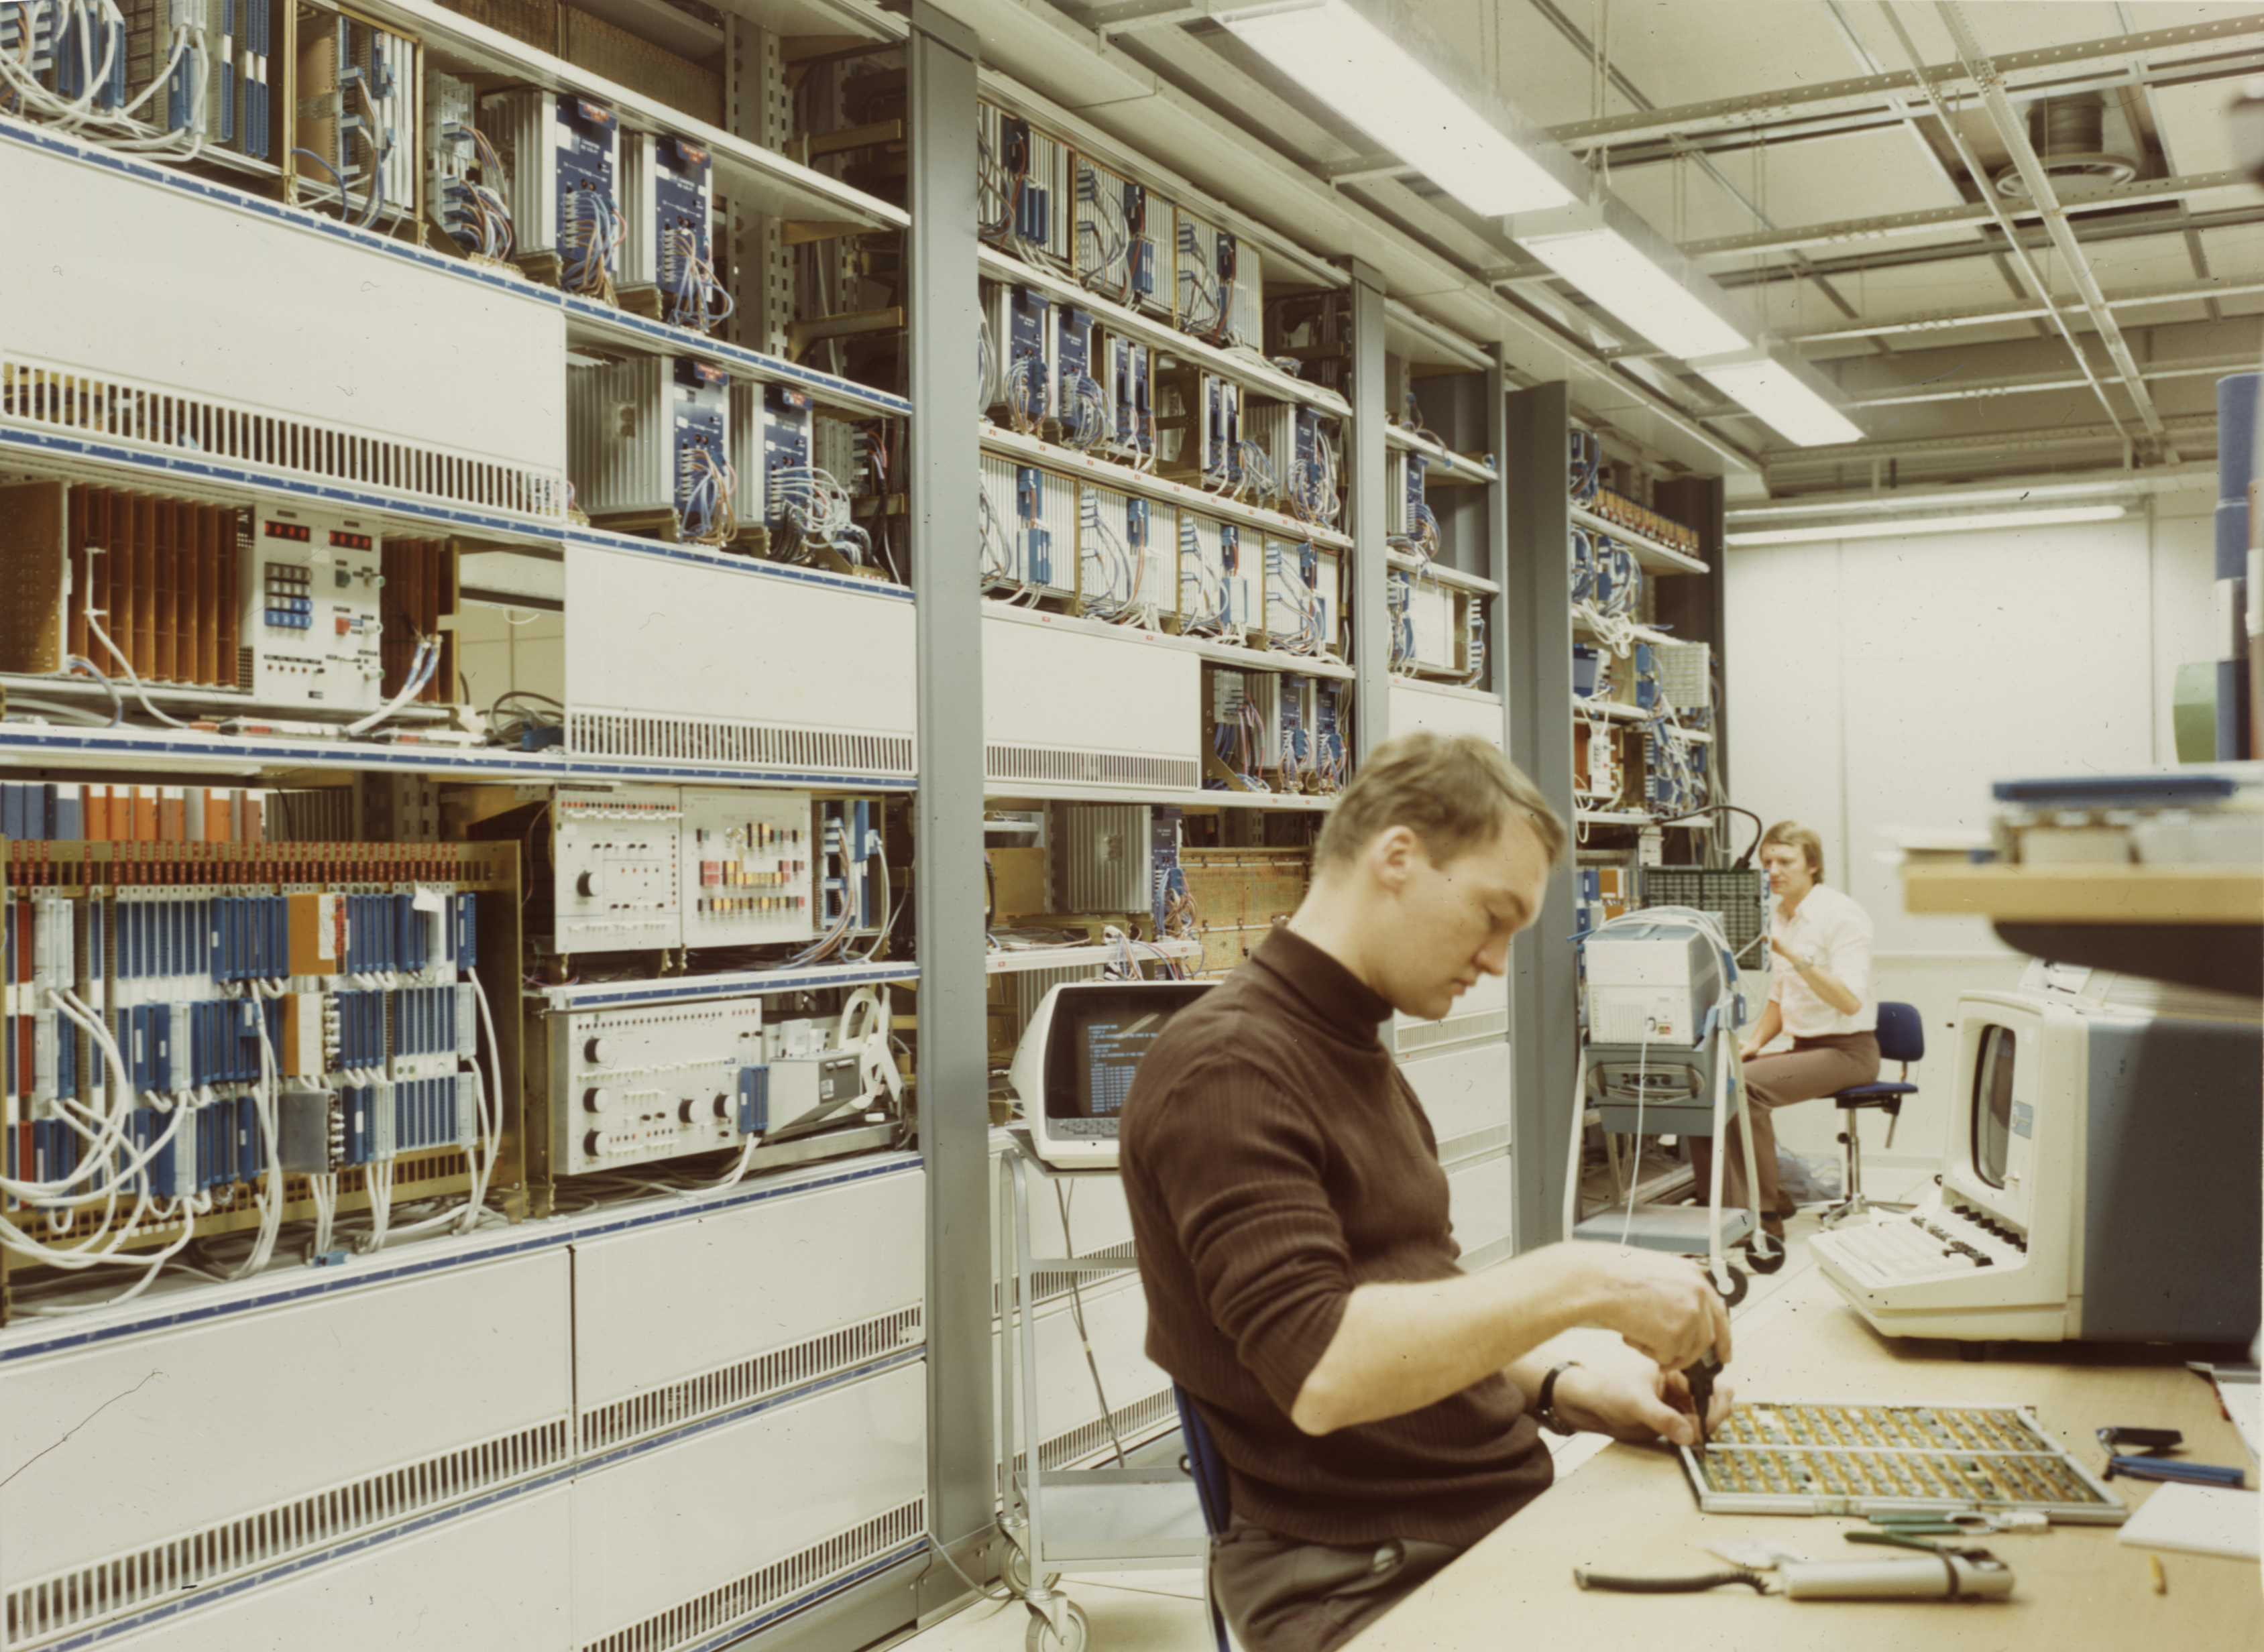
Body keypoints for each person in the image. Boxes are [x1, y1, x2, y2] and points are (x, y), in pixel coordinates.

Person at [1119, 732, 1734, 1652]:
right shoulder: (1230, 1068)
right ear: (1397, 856)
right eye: (1493, 915)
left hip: (1459, 1526)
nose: (1496, 961)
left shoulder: (1347, 1047)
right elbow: (1323, 1371)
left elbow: (1408, 1306)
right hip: (1368, 1574)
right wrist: (1586, 1279)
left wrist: (1565, 1388)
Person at [1689, 820, 1879, 1238]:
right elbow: (1780, 997)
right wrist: (1754, 1043)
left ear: (1812, 865)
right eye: (1768, 861)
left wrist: (1792, 954)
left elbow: (1849, 1000)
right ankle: (1718, 1206)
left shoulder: (1841, 915)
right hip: (1807, 1047)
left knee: (1746, 1089)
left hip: (1849, 1053)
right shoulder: (1780, 916)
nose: (1774, 870)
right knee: (1709, 1081)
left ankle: (1764, 1215)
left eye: (1785, 861)